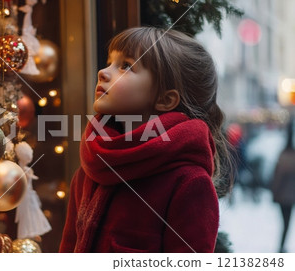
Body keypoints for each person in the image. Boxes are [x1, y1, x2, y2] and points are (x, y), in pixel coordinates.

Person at [59, 27, 234, 253]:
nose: (103, 72)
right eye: (110, 62)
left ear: (165, 99)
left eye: (126, 66)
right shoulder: (91, 169)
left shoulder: (188, 183)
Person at [271, 115, 295, 253]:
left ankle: (281, 246)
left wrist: (275, 193)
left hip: (283, 195)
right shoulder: (290, 156)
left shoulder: (283, 155)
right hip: (289, 195)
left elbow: (277, 176)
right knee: (287, 223)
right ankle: (281, 246)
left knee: (285, 223)